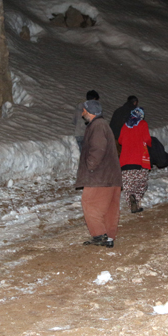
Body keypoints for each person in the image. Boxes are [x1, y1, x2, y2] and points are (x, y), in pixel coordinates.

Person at [75, 100, 123, 248]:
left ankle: (99, 235)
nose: (82, 113)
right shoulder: (103, 125)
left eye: (83, 111)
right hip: (111, 176)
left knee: (89, 203)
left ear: (89, 111)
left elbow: (98, 148)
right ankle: (108, 236)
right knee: (109, 208)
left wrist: (90, 165)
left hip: (100, 177)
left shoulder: (97, 126)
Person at [118, 107, 152, 213]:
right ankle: (136, 199)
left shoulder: (125, 125)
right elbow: (147, 139)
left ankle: (132, 203)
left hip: (125, 161)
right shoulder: (143, 124)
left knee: (128, 184)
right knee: (141, 182)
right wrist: (150, 144)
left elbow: (120, 140)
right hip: (139, 159)